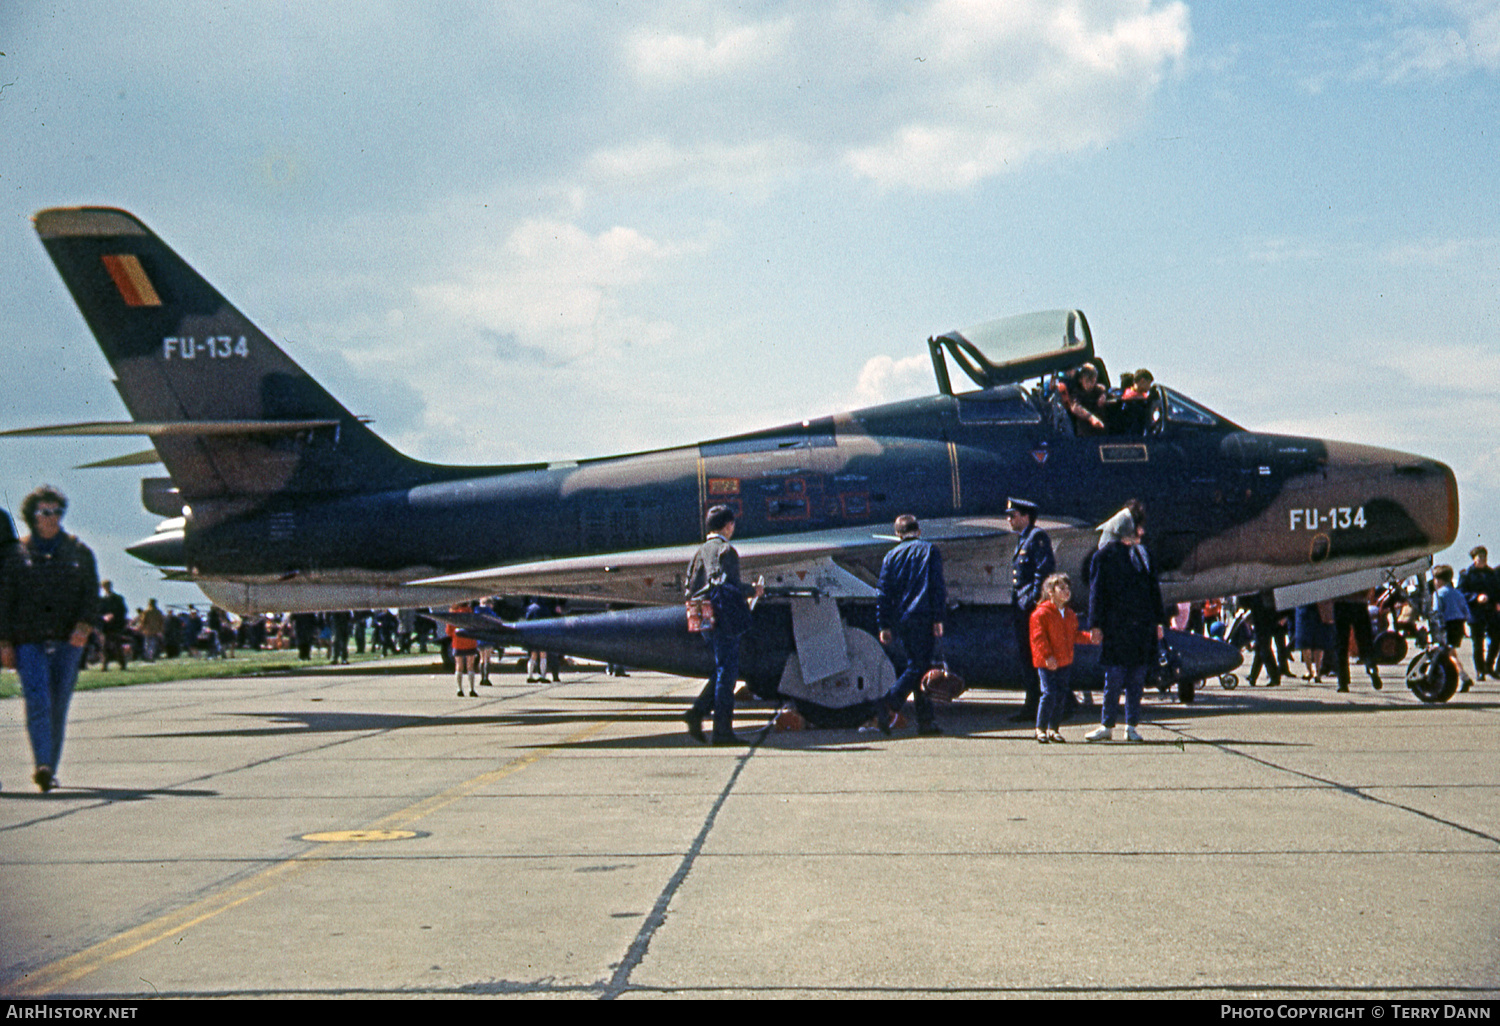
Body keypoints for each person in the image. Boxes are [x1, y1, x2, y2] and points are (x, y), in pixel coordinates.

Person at [0, 486, 100, 792]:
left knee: (58, 705)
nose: (52, 518)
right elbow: (5, 600)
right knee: (38, 700)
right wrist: (4, 642)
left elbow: (90, 594)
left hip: (67, 642)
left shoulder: (78, 552)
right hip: (29, 640)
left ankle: (49, 768)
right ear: (33, 516)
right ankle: (43, 765)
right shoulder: (17, 554)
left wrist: (84, 626)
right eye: (45, 512)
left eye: (56, 511)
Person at [1085, 502, 1167, 742]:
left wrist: (1159, 622)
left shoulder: (1143, 555)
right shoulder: (1104, 556)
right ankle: (1107, 724)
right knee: (1114, 679)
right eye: (1137, 527)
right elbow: (1096, 594)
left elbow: (1153, 591)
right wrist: (1095, 625)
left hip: (1141, 628)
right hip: (1116, 628)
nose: (1141, 533)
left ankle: (1131, 725)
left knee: (1136, 681)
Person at [682, 505, 762, 744]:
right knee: (728, 673)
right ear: (728, 525)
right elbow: (727, 584)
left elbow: (689, 586)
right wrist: (753, 590)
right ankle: (722, 731)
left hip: (704, 617)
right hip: (724, 617)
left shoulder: (701, 551)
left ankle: (696, 712)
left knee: (721, 669)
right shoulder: (726, 550)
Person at [874, 514, 947, 737]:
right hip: (923, 616)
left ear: (897, 534)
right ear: (919, 531)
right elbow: (937, 587)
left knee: (920, 668)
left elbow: (883, 594)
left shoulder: (890, 556)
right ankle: (889, 703)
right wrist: (938, 618)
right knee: (919, 666)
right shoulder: (929, 550)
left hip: (902, 618)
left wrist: (884, 624)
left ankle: (926, 722)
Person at [1007, 497, 1054, 723]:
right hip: (1021, 605)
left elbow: (1043, 570)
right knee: (1028, 656)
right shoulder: (1023, 539)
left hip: (1030, 607)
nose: (1009, 519)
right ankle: (1032, 705)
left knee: (1038, 655)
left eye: (1013, 515)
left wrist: (1034, 599)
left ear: (1026, 517)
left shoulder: (1037, 537)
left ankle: (1051, 702)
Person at [1029, 573, 1092, 743]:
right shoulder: (1041, 613)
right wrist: (1048, 656)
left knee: (1061, 694)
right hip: (1047, 662)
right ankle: (1040, 728)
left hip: (1064, 660)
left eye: (1067, 588)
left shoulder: (1070, 614)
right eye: (1061, 588)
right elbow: (1038, 638)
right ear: (1050, 591)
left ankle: (1053, 728)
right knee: (1048, 693)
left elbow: (1074, 635)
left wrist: (1089, 638)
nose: (1066, 592)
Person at [1458, 547, 1498, 681]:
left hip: (1491, 611)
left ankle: (1489, 666)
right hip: (1475, 612)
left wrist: (1497, 601)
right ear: (1474, 559)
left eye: (1484, 557)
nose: (1482, 560)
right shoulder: (1466, 575)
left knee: (1496, 639)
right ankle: (1480, 670)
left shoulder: (1490, 573)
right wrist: (1476, 597)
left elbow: (1497, 589)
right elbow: (1462, 592)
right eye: (1479, 557)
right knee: (1478, 643)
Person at [1432, 565, 1473, 691]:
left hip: (1447, 625)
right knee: (1452, 651)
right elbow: (1466, 611)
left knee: (1448, 653)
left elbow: (1436, 611)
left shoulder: (1439, 594)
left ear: (1438, 580)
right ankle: (1462, 676)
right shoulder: (1458, 594)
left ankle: (1464, 677)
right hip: (1459, 624)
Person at [1056, 363, 1109, 435]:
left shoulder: (1098, 390)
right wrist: (1091, 418)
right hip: (1085, 434)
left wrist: (1104, 395)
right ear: (1081, 379)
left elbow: (1106, 390)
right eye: (1088, 380)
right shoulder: (1077, 392)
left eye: (1093, 379)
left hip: (1101, 432)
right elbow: (1075, 407)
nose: (1091, 383)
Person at [447, 602, 479, 697]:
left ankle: (459, 689)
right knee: (470, 666)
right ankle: (472, 689)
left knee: (459, 665)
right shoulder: (471, 613)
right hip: (470, 642)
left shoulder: (453, 613)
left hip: (457, 642)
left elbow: (448, 631)